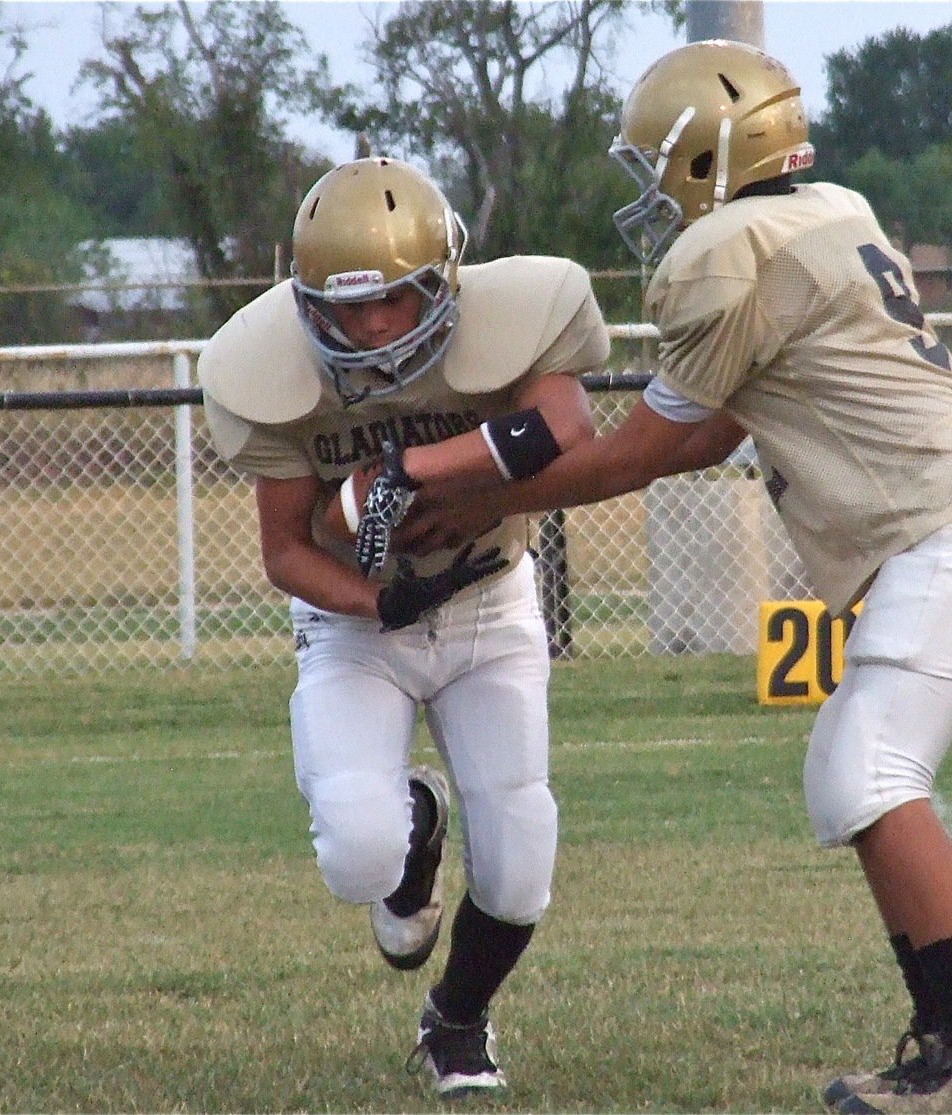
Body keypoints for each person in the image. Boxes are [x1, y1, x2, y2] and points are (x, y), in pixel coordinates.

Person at [392, 40, 952, 1115]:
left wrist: (490, 497)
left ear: (708, 153)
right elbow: (713, 431)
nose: (652, 194)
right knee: (850, 768)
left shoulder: (725, 248)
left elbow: (647, 448)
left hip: (951, 511)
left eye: (657, 165)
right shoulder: (831, 208)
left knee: (869, 771)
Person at [198, 156, 609, 1097]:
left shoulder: (513, 315)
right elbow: (286, 552)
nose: (376, 326)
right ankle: (415, 824)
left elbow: (569, 427)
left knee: (520, 862)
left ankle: (457, 1019)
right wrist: (377, 602)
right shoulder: (269, 368)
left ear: (444, 280)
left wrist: (419, 471)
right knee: (358, 854)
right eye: (349, 306)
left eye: (394, 298)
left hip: (489, 598)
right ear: (306, 300)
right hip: (357, 620)